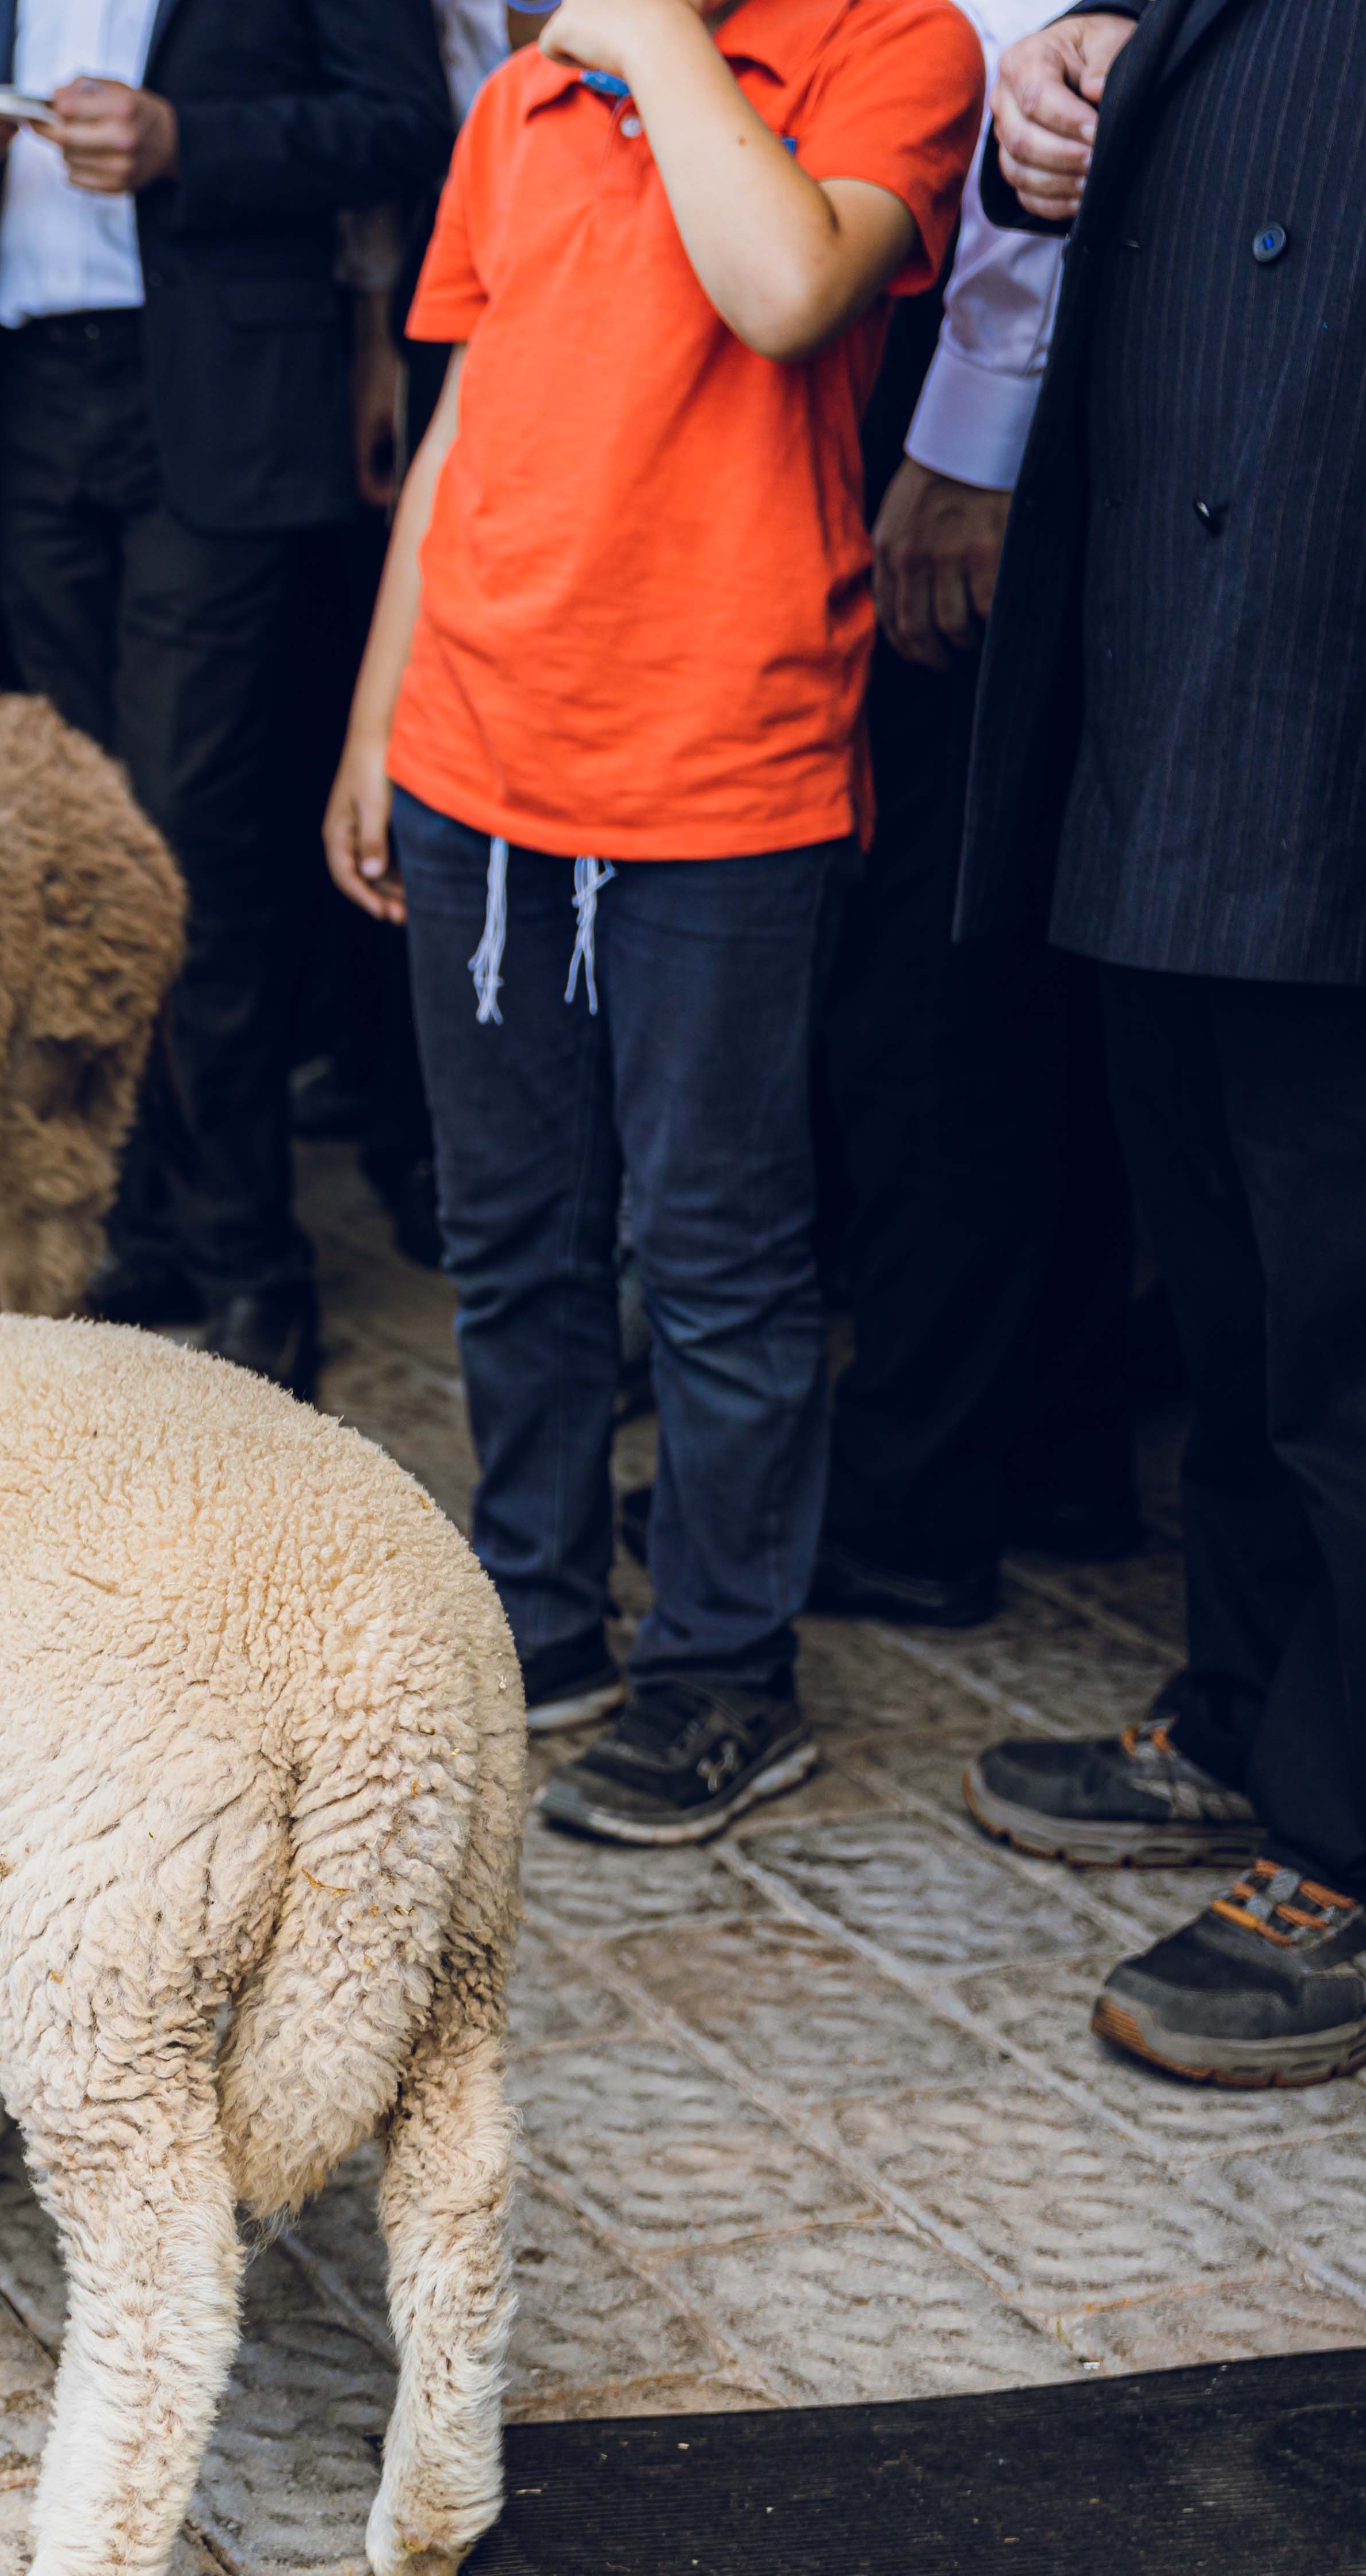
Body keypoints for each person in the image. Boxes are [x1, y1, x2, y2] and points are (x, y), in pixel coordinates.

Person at [322, 0, 982, 1829]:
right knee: (512, 1231)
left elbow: (785, 287)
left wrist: (647, 47)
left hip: (720, 770)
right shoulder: (523, 98)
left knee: (714, 1257)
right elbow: (459, 420)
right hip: (475, 757)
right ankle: (532, 1613)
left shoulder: (892, 49)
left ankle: (719, 1668)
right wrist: (379, 719)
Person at [947, 0, 1366, 2088]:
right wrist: (1067, 74)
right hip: (1173, 664)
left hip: (1325, 679)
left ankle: (1342, 1834)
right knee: (1219, 1282)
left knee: (1342, 1327)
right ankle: (1234, 1707)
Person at [0, 0, 455, 1399]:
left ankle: (254, 1255)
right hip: (16, 394)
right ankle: (133, 1230)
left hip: (218, 404)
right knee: (75, 850)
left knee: (192, 840)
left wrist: (189, 141)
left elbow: (403, 124)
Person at [805, 0, 1134, 1637]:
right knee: (1031, 939)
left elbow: (1038, 96)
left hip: (987, 372)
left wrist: (969, 439)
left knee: (934, 967)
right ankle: (1053, 1442)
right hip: (1019, 350)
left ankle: (915, 1491)